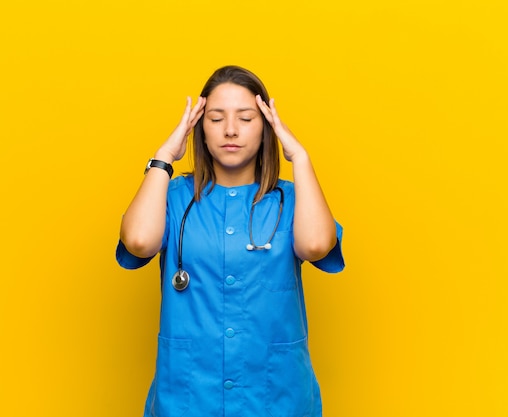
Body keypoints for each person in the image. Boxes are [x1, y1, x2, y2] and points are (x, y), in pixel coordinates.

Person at [116, 65, 345, 416]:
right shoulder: (174, 197)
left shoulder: (293, 200)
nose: (231, 130)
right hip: (189, 396)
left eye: (247, 118)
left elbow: (315, 245)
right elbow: (138, 241)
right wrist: (163, 158)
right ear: (199, 129)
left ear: (267, 128)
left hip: (274, 396)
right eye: (216, 118)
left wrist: (299, 156)